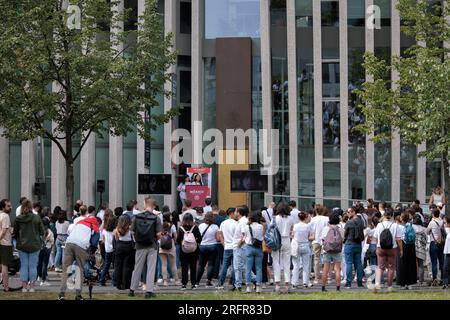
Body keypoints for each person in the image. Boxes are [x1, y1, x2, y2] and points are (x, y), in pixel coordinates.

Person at [58, 216, 101, 300]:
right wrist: (91, 254)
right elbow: (94, 243)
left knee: (66, 270)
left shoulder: (80, 222)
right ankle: (78, 295)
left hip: (69, 243)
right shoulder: (95, 227)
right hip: (81, 246)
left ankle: (61, 294)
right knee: (79, 270)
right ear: (98, 223)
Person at [129, 198, 162, 299]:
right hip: (152, 246)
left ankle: (132, 290)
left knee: (137, 268)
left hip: (139, 246)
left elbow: (132, 232)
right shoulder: (156, 218)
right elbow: (159, 234)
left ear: (145, 204)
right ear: (154, 206)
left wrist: (137, 240)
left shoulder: (136, 217)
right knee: (151, 269)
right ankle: (149, 291)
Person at [12, 199, 45, 293]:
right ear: (31, 207)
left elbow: (14, 233)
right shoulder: (36, 218)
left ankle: (24, 287)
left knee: (24, 266)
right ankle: (32, 287)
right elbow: (42, 231)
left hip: (22, 245)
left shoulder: (18, 219)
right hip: (34, 244)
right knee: (33, 266)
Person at [373, 208, 403, 292]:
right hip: (392, 248)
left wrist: (376, 247)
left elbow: (375, 238)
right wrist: (401, 250)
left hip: (380, 248)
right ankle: (389, 287)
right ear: (392, 215)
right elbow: (398, 239)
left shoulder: (379, 225)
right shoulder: (395, 225)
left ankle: (378, 284)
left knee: (380, 267)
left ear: (384, 215)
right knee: (391, 267)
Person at [272, 203, 294, 293]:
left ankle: (277, 285)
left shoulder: (275, 218)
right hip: (287, 240)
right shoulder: (291, 218)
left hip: (277, 241)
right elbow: (292, 230)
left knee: (276, 262)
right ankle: (287, 285)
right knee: (287, 263)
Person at [177, 213, 201, 290]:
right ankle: (193, 284)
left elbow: (177, 241)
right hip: (194, 252)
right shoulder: (195, 228)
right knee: (193, 268)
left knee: (184, 268)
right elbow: (200, 239)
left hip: (183, 252)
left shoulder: (181, 228)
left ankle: (184, 284)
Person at [195, 212, 220, 287]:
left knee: (201, 264)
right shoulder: (215, 227)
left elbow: (198, 236)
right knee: (211, 264)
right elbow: (217, 238)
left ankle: (197, 282)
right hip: (213, 246)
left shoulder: (201, 226)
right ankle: (208, 281)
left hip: (202, 246)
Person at [321, 214, 344, 292]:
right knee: (337, 269)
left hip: (327, 251)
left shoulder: (325, 228)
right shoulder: (340, 229)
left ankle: (323, 288)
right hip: (337, 251)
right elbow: (342, 239)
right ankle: (338, 288)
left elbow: (322, 239)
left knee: (325, 269)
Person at [243, 211, 264, 293]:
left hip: (249, 247)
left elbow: (244, 237)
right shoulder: (260, 226)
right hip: (258, 248)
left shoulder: (246, 227)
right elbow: (261, 236)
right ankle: (258, 286)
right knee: (259, 268)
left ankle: (248, 287)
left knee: (248, 268)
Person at [291, 211, 314, 288]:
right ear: (305, 217)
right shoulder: (308, 226)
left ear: (298, 218)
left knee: (296, 265)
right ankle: (305, 282)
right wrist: (306, 238)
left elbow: (292, 235)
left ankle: (294, 282)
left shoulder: (295, 226)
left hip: (296, 245)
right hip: (305, 245)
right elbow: (312, 237)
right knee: (306, 265)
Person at [216, 208, 238, 289]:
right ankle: (233, 282)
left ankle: (220, 283)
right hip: (235, 247)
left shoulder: (223, 223)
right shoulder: (236, 223)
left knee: (224, 265)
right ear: (232, 213)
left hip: (227, 247)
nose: (236, 214)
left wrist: (223, 244)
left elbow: (220, 235)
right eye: (235, 212)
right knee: (235, 265)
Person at [343, 207, 365, 288]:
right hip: (358, 244)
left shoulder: (349, 222)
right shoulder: (361, 221)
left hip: (349, 244)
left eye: (349, 212)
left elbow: (345, 234)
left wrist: (344, 240)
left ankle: (348, 283)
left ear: (354, 212)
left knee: (348, 263)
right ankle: (359, 283)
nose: (347, 214)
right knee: (358, 263)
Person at [113, 215, 135, 290]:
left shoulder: (117, 228)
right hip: (129, 246)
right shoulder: (130, 228)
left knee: (118, 266)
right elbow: (134, 238)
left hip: (119, 246)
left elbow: (116, 238)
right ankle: (126, 284)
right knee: (127, 266)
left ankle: (118, 284)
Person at [310, 205, 330, 284]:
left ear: (316, 211)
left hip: (315, 240)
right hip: (325, 240)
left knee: (316, 259)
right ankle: (327, 277)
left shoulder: (313, 219)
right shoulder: (327, 219)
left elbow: (311, 230)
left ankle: (316, 278)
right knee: (327, 259)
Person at [159, 212, 180, 286]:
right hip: (170, 246)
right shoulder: (172, 225)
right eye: (170, 216)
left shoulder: (160, 225)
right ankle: (176, 280)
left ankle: (165, 281)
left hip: (162, 246)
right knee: (173, 264)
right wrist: (174, 242)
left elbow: (158, 235)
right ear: (168, 217)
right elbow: (175, 236)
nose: (171, 217)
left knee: (163, 264)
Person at [398, 211, 417, 290]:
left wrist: (401, 249)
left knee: (403, 264)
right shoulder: (412, 226)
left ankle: (403, 283)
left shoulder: (399, 227)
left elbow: (399, 238)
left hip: (403, 245)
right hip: (412, 246)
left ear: (401, 218)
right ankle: (410, 283)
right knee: (411, 264)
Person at [427, 208, 445, 286]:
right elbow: (443, 231)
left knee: (434, 262)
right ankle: (443, 279)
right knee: (441, 261)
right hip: (441, 243)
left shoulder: (432, 222)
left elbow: (427, 232)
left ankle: (434, 279)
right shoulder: (442, 221)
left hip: (433, 243)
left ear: (433, 214)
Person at [232, 206, 249, 291]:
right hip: (241, 247)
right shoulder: (243, 221)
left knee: (238, 267)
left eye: (235, 211)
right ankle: (238, 284)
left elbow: (244, 235)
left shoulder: (242, 222)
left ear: (239, 213)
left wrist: (239, 244)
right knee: (241, 266)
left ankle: (238, 285)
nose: (234, 213)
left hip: (240, 247)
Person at [99, 216, 118, 286]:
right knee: (115, 266)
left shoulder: (104, 231)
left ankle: (102, 280)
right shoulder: (115, 230)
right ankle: (114, 281)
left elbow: (103, 240)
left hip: (107, 250)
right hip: (114, 250)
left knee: (106, 265)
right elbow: (116, 240)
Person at [0, 199, 13, 292]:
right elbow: (4, 231)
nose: (10, 207)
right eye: (8, 206)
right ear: (3, 207)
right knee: (5, 267)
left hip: (2, 243)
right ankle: (6, 287)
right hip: (5, 244)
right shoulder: (5, 216)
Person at [37, 218, 54, 286]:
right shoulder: (50, 232)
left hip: (40, 248)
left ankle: (39, 276)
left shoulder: (39, 231)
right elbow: (52, 241)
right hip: (47, 248)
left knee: (39, 263)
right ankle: (43, 280)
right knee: (45, 264)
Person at [412, 214, 427, 286]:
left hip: (413, 248)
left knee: (413, 264)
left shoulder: (412, 227)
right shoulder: (424, 229)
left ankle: (413, 278)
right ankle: (421, 280)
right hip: (421, 249)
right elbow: (426, 240)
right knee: (421, 265)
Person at [443, 216, 450, 290]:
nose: (444, 224)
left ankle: (446, 282)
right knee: (446, 268)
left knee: (446, 267)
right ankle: (446, 283)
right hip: (447, 252)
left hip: (448, 252)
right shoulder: (447, 230)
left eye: (445, 223)